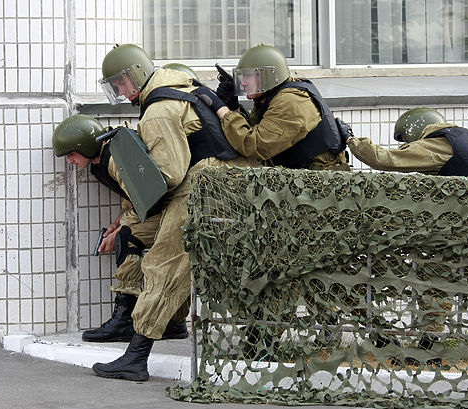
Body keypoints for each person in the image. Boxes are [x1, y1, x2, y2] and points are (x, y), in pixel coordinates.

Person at [91, 44, 257, 381]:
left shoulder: (158, 110)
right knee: (149, 238)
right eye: (114, 85)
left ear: (136, 74)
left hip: (207, 184)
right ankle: (173, 326)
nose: (120, 91)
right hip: (230, 181)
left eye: (121, 82)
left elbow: (168, 174)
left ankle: (136, 357)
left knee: (163, 263)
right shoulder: (184, 88)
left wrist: (124, 170)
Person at [347, 107, 468, 366]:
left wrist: (351, 140)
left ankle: (428, 348)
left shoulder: (439, 143)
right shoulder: (465, 139)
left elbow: (386, 159)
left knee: (436, 278)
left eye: (409, 141)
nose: (409, 146)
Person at [52, 114, 189, 342]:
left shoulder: (115, 158)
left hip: (171, 208)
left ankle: (125, 320)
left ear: (86, 146)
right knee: (123, 231)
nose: (70, 161)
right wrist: (117, 221)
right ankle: (173, 322)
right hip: (165, 208)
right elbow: (131, 194)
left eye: (72, 154)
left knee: (126, 238)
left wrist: (120, 229)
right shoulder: (104, 159)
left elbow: (148, 199)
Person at [202, 44, 350, 171]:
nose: (243, 83)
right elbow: (254, 129)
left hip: (320, 182)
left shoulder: (291, 101)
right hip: (298, 173)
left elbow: (254, 146)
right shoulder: (270, 96)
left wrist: (221, 109)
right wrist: (233, 108)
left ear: (269, 76)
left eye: (248, 76)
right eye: (242, 76)